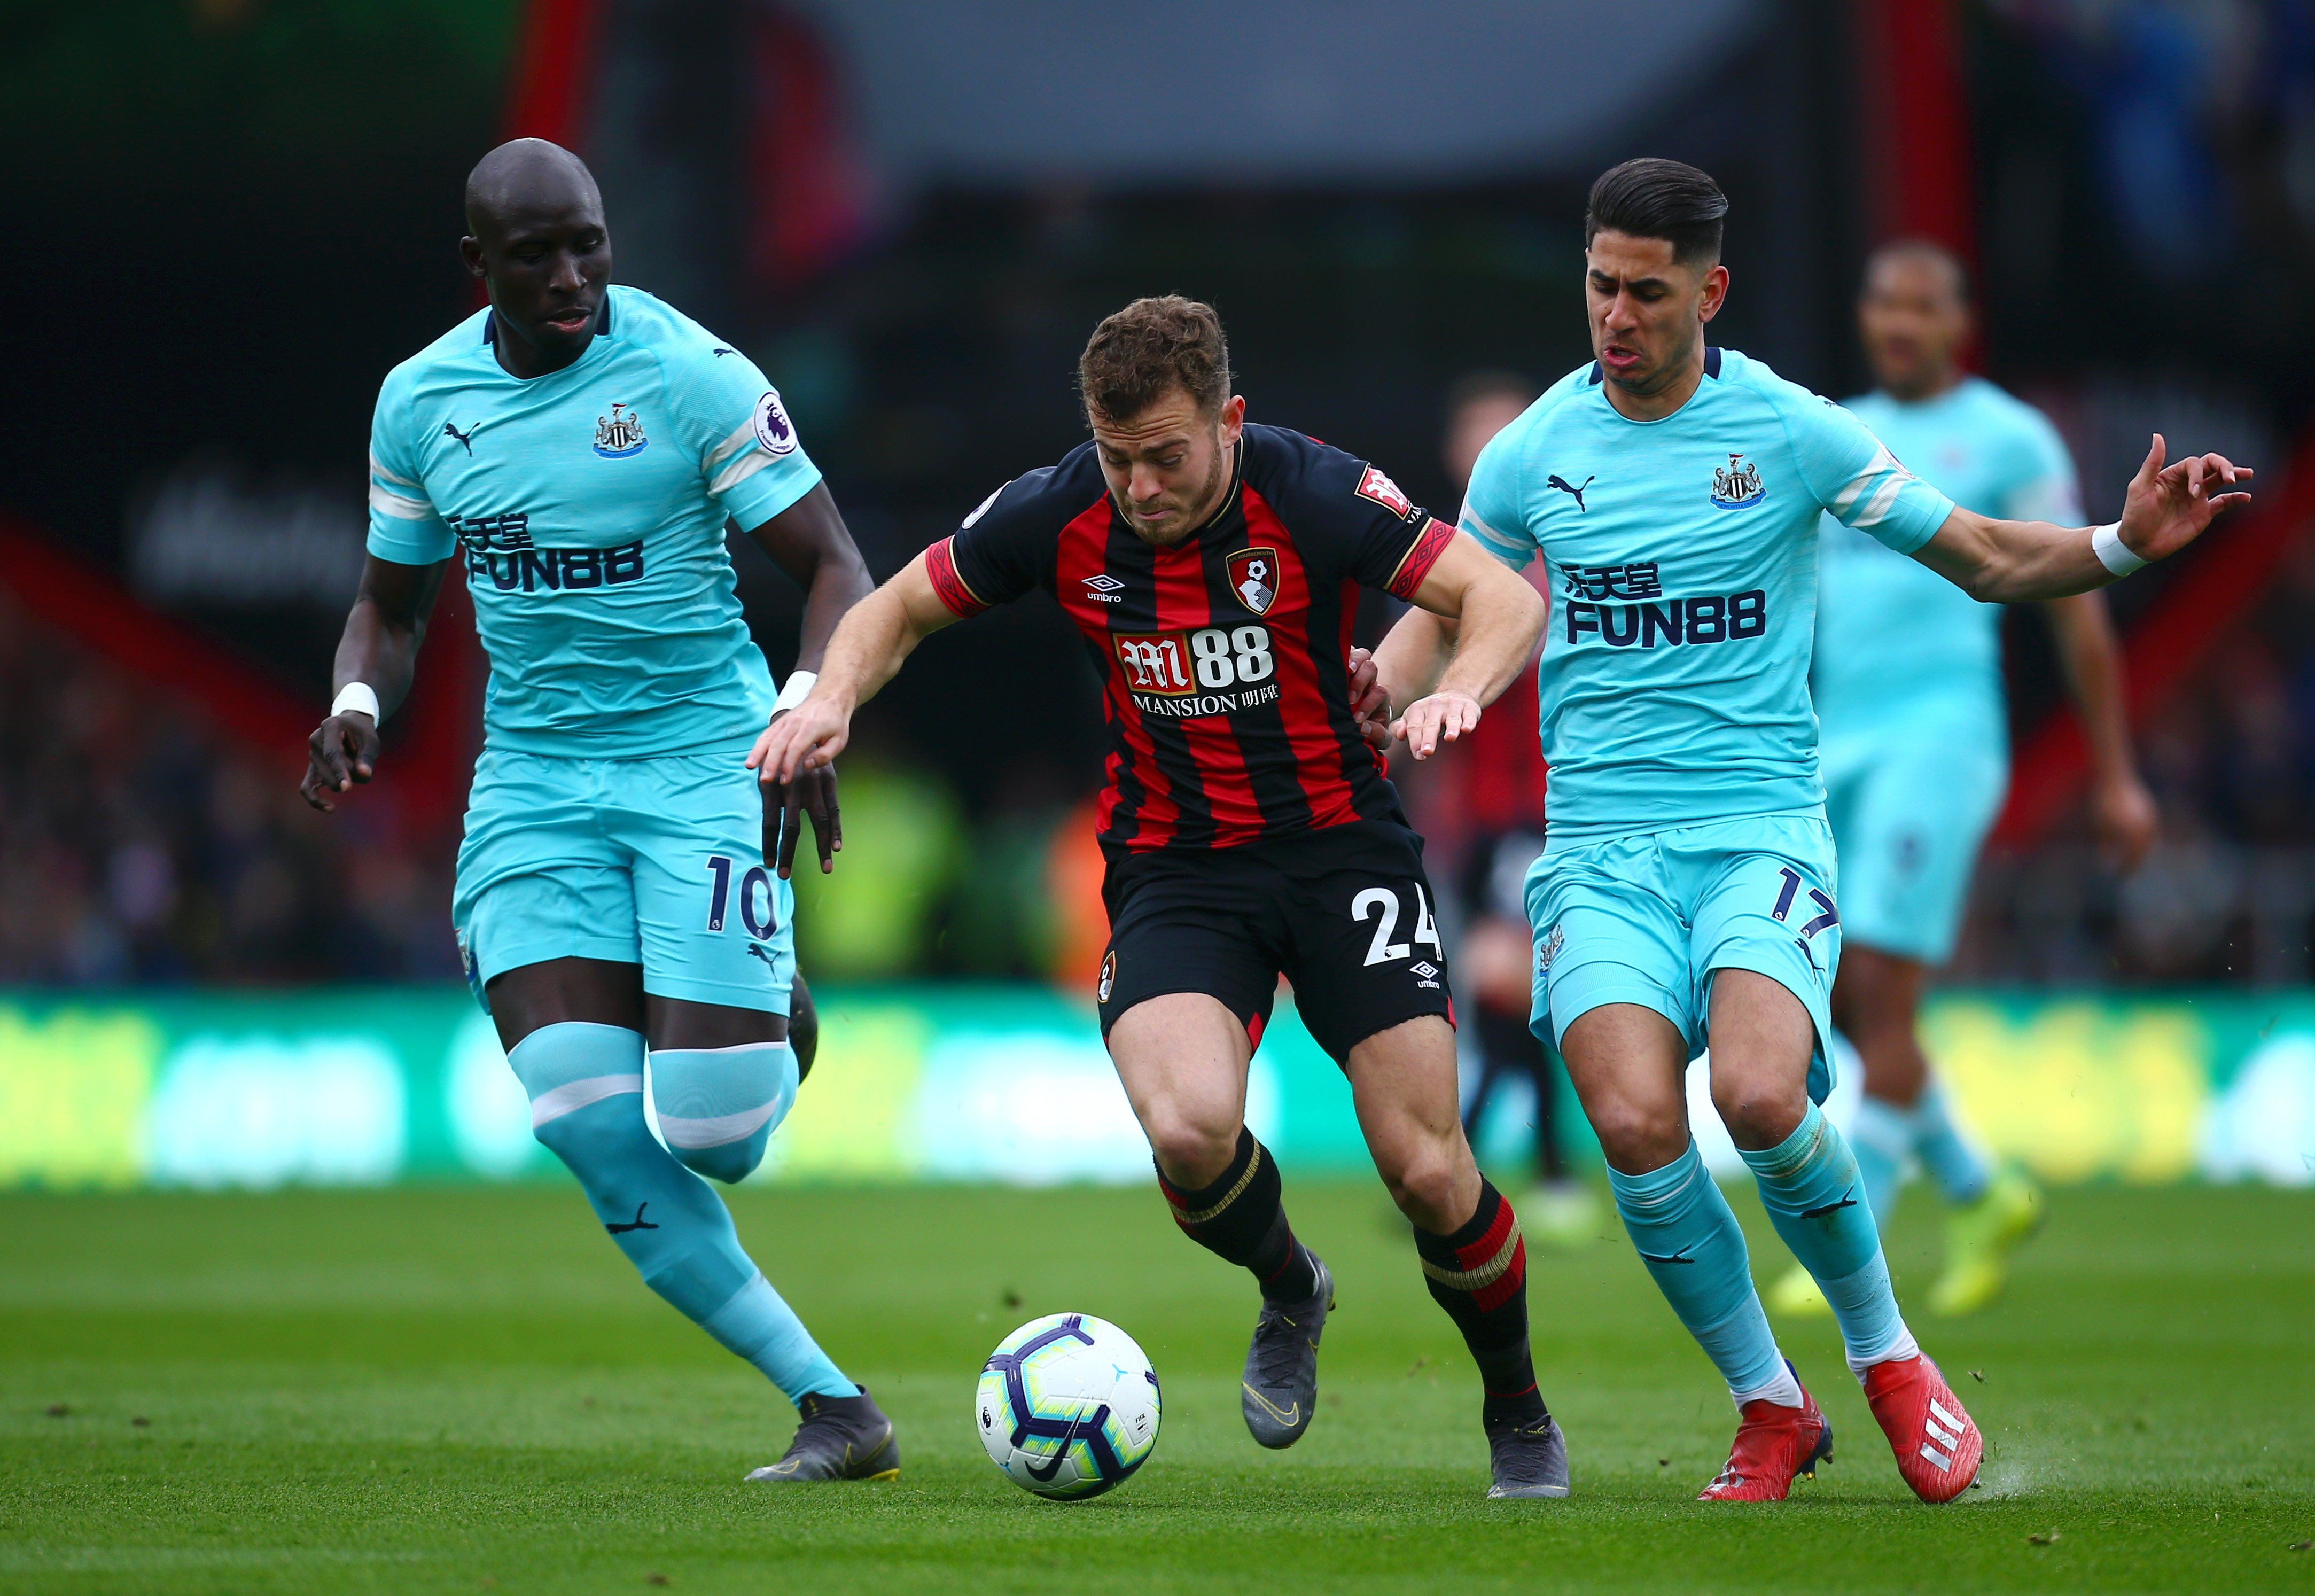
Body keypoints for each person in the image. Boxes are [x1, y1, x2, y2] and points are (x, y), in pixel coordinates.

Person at [1363, 159, 2248, 1504]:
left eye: (1647, 292)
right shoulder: (1531, 449)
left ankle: (1890, 1359)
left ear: (1709, 291)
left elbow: (1986, 559)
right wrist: (1390, 685)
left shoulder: (1788, 430)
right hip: (1599, 849)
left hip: (1760, 829)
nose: (1616, 314)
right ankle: (1771, 1406)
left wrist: (2122, 544)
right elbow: (1444, 611)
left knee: (1764, 1095)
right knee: (1633, 1124)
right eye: (1601, 285)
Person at [754, 297, 1567, 1498]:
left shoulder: (1315, 491)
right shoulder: (1059, 509)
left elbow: (1499, 598)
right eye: (1118, 456)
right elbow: (897, 610)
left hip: (1343, 851)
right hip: (1177, 868)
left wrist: (1463, 690)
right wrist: (824, 697)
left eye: (1168, 456)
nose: (1139, 487)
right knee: (1188, 1134)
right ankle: (1292, 1284)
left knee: (1429, 1172)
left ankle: (1518, 1408)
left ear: (1230, 422)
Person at [300, 139, 893, 1484]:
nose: (572, 277)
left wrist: (806, 709)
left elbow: (834, 567)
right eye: (536, 255)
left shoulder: (692, 373)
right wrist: (358, 709)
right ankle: (834, 1408)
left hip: (699, 761)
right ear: (478, 268)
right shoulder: (420, 402)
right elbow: (390, 609)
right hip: (533, 790)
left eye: (590, 244)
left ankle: (764, 984)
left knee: (715, 1133)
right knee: (582, 1115)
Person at [1766, 241, 2160, 1323]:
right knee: (1848, 1001)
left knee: (1885, 991)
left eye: (1920, 307)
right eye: (1882, 303)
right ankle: (1981, 1191)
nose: (1897, 323)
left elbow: (2076, 608)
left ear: (1958, 324)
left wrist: (2117, 775)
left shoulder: (2008, 439)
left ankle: (1857, 1255)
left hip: (1940, 741)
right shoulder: (1828, 433)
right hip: (1828, 744)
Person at [1436, 376, 1593, 1243]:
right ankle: (1477, 1160)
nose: (1482, 449)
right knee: (1497, 987)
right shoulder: (1439, 565)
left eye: (1498, 431)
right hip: (1473, 821)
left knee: (1508, 979)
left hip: (1538, 811)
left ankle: (1540, 1168)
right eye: (1471, 432)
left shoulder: (1557, 562)